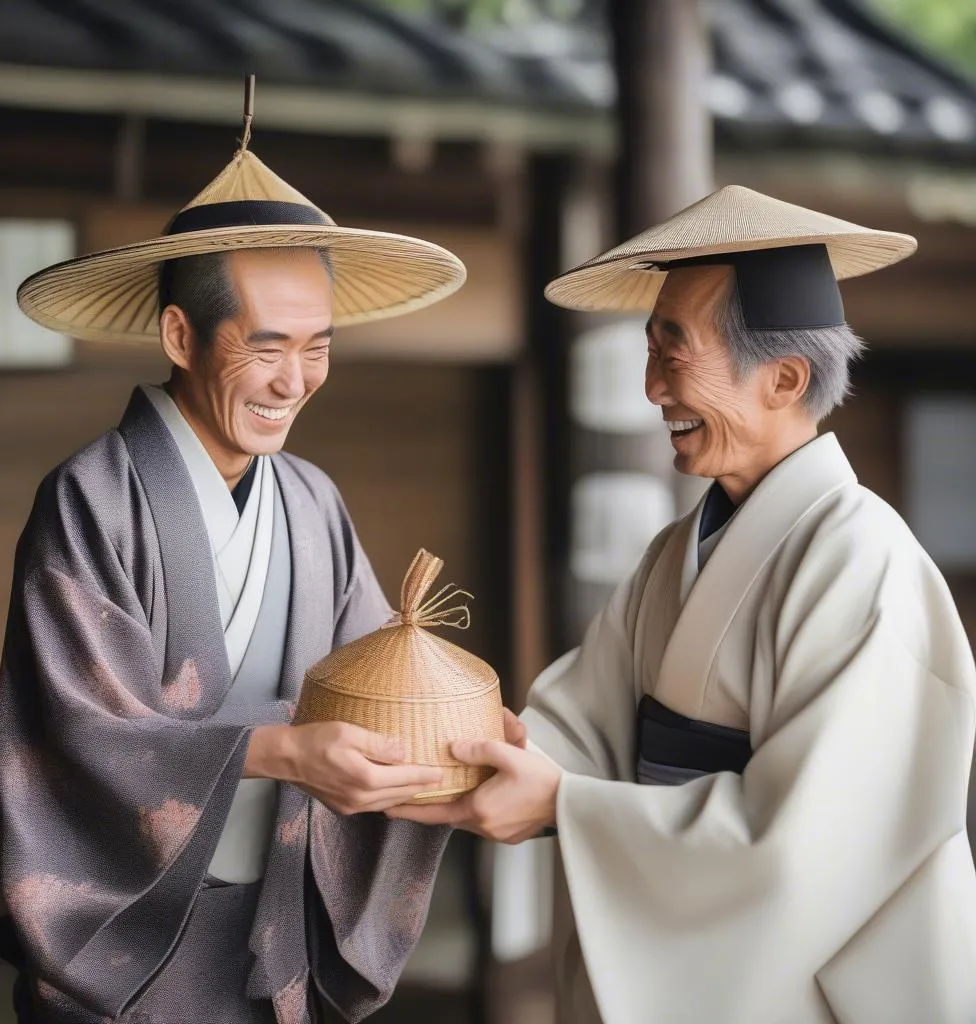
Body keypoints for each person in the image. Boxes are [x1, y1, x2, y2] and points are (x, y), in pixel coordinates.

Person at [389, 186, 976, 1023]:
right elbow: (582, 721)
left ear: (783, 378)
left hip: (809, 986)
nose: (651, 386)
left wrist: (563, 803)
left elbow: (805, 848)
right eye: (650, 349)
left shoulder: (862, 560)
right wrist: (453, 753)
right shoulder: (678, 552)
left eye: (676, 352)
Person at [0, 127, 470, 1024]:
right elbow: (81, 731)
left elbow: (372, 678)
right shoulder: (93, 499)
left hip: (277, 921)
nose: (295, 381)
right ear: (181, 333)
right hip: (139, 942)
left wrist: (457, 730)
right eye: (268, 345)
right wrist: (283, 749)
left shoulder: (313, 500)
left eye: (318, 347)